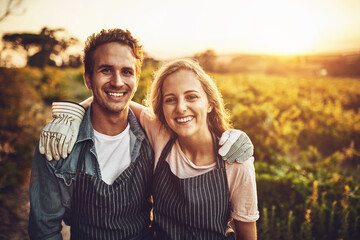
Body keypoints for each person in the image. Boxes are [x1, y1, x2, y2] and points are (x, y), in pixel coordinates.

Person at [29, 28, 254, 239]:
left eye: (126, 72)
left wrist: (233, 134)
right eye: (106, 70)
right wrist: (72, 113)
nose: (117, 82)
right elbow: (44, 229)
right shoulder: (60, 145)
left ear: (136, 80)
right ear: (88, 78)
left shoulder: (155, 133)